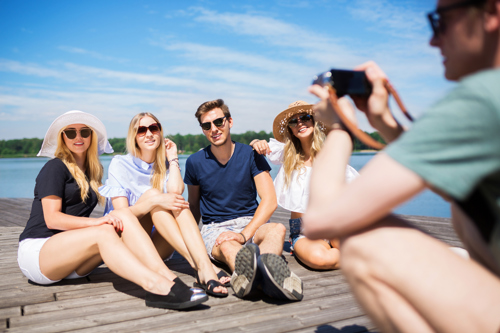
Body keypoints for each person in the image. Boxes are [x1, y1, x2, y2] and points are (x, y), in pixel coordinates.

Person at [304, 0, 500, 331]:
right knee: (465, 208)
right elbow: (444, 179)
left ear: (492, 13)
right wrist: (383, 121)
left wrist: (339, 129)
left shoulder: (481, 97)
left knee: (363, 239)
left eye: (440, 21)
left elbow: (322, 220)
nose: (432, 41)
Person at [17, 110, 208, 310]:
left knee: (120, 218)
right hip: (41, 252)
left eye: (84, 132)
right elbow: (52, 219)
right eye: (71, 133)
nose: (79, 137)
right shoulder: (55, 167)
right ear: (63, 138)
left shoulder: (91, 172)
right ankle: (158, 286)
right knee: (108, 225)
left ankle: (169, 279)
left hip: (75, 259)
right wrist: (98, 222)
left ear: (92, 136)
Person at [184, 99, 303, 301]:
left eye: (219, 122)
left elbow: (269, 200)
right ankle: (269, 277)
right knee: (228, 245)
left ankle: (254, 277)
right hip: (216, 229)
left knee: (277, 229)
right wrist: (193, 244)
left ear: (230, 121)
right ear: (203, 130)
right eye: (207, 125)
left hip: (251, 223)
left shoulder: (250, 154)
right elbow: (194, 206)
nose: (214, 129)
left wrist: (243, 234)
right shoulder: (194, 162)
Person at [99, 112, 229, 297]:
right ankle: (203, 266)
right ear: (133, 137)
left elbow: (176, 194)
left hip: (160, 246)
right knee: (155, 195)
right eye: (141, 130)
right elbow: (121, 215)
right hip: (129, 245)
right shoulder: (120, 164)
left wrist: (173, 158)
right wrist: (153, 200)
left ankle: (203, 268)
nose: (149, 134)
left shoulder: (164, 165)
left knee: (172, 201)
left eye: (154, 128)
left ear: (160, 132)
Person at [250, 101, 358, 270]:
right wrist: (257, 141)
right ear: (291, 129)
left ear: (314, 121)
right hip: (304, 232)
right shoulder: (286, 153)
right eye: (294, 121)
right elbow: (258, 146)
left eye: (305, 118)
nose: (299, 123)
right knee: (320, 259)